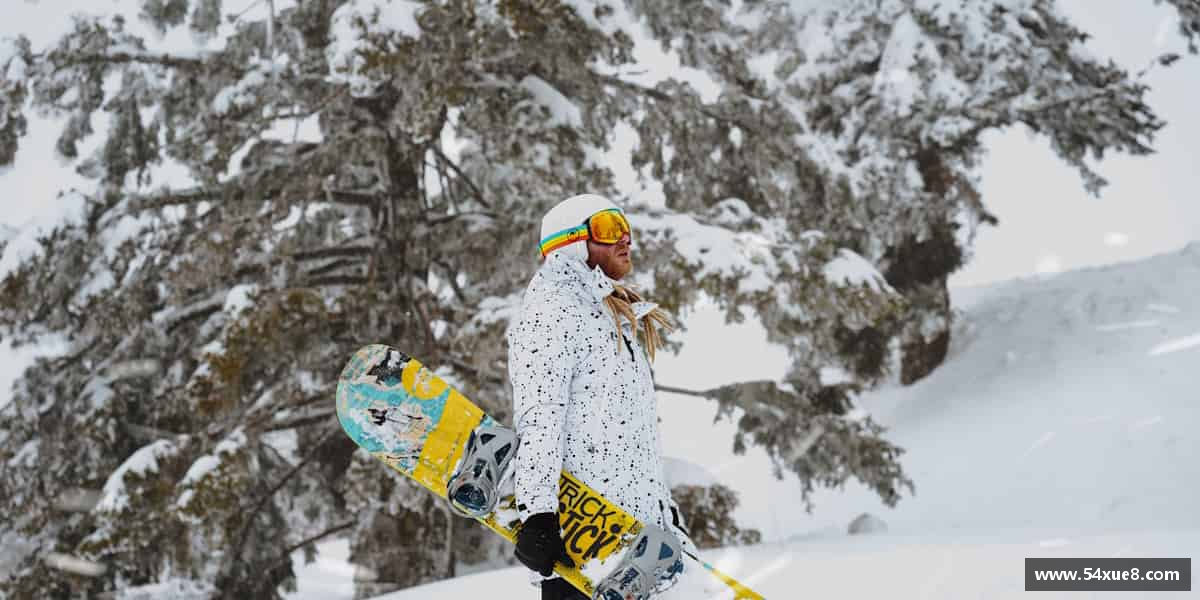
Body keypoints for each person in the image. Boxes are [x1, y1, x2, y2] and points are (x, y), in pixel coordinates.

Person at [506, 194, 695, 600]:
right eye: (609, 229)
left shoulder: (608, 315)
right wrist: (538, 515)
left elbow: (631, 436)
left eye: (625, 228)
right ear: (571, 242)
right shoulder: (551, 312)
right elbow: (541, 416)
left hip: (634, 551)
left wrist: (664, 512)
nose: (625, 238)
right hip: (581, 554)